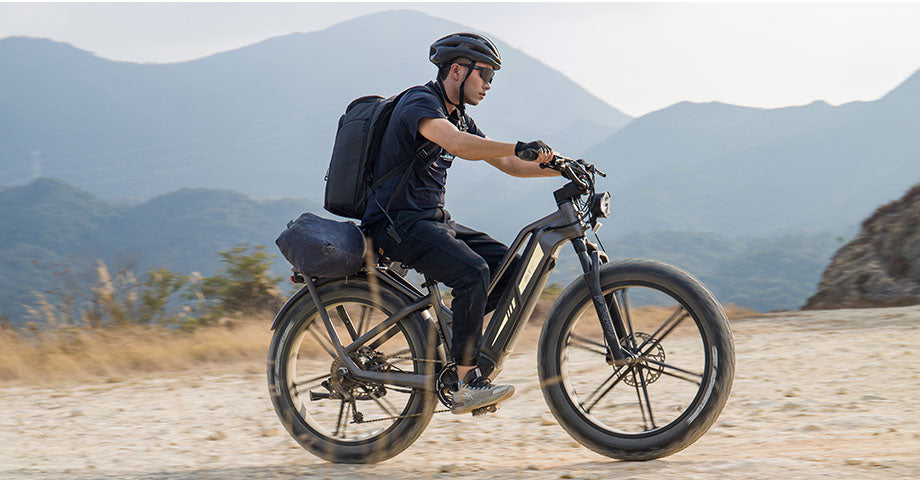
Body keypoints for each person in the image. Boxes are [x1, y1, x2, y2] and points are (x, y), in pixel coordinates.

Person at [362, 32, 560, 415]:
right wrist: (518, 144)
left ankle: (452, 341)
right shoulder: (421, 102)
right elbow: (456, 144)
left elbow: (509, 164)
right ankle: (466, 382)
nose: (488, 84)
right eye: (484, 74)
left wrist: (560, 166)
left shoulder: (459, 115)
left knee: (512, 268)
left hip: (430, 220)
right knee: (472, 272)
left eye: (492, 77)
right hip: (395, 223)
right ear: (457, 70)